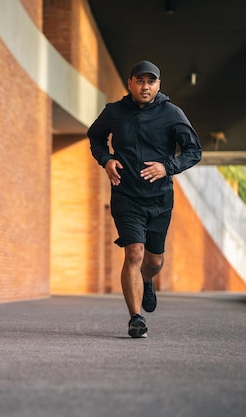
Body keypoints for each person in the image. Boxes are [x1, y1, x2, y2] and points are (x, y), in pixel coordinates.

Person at [87, 60, 202, 338]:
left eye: (151, 81)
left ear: (159, 85)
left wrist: (167, 167)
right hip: (126, 196)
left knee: (153, 260)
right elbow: (96, 137)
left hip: (160, 198)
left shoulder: (172, 113)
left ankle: (147, 280)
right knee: (134, 253)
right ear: (130, 83)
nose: (145, 86)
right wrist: (107, 160)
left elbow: (193, 150)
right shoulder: (114, 112)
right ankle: (136, 318)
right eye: (140, 81)